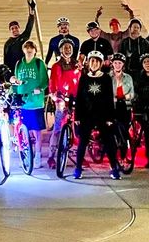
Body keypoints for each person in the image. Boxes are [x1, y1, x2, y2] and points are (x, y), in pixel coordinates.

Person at [71, 52, 121, 179]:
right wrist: (77, 117)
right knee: (83, 141)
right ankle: (78, 168)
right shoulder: (84, 78)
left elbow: (110, 99)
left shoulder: (105, 78)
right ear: (88, 62)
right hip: (86, 115)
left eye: (97, 61)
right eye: (92, 61)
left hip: (102, 115)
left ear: (100, 63)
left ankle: (113, 167)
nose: (94, 64)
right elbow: (80, 98)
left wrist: (110, 117)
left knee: (109, 140)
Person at [12, 43, 49, 163]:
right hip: (23, 102)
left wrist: (40, 89)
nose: (28, 50)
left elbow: (45, 81)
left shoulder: (39, 63)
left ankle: (38, 155)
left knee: (37, 130)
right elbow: (16, 81)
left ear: (35, 51)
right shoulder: (19, 64)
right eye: (26, 48)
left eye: (31, 48)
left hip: (36, 102)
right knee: (24, 129)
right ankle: (28, 153)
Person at [46, 40, 80, 168]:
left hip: (74, 99)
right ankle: (51, 155)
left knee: (76, 127)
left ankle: (77, 154)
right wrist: (54, 94)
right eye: (65, 47)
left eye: (69, 47)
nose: (67, 50)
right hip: (61, 99)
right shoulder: (56, 66)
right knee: (57, 128)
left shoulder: (76, 65)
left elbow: (79, 80)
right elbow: (52, 82)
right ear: (61, 50)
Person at [3, 0, 37, 72]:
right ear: (10, 30)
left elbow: (29, 26)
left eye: (16, 27)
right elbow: (6, 59)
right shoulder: (8, 43)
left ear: (19, 28)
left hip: (25, 67)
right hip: (13, 69)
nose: (14, 29)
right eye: (12, 28)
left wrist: (32, 11)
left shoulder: (24, 37)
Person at [108, 52, 135, 132]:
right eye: (115, 63)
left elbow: (132, 94)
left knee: (124, 129)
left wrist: (125, 97)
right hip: (111, 108)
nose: (117, 65)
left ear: (123, 64)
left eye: (119, 63)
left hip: (125, 107)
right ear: (112, 64)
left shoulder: (128, 77)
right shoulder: (107, 77)